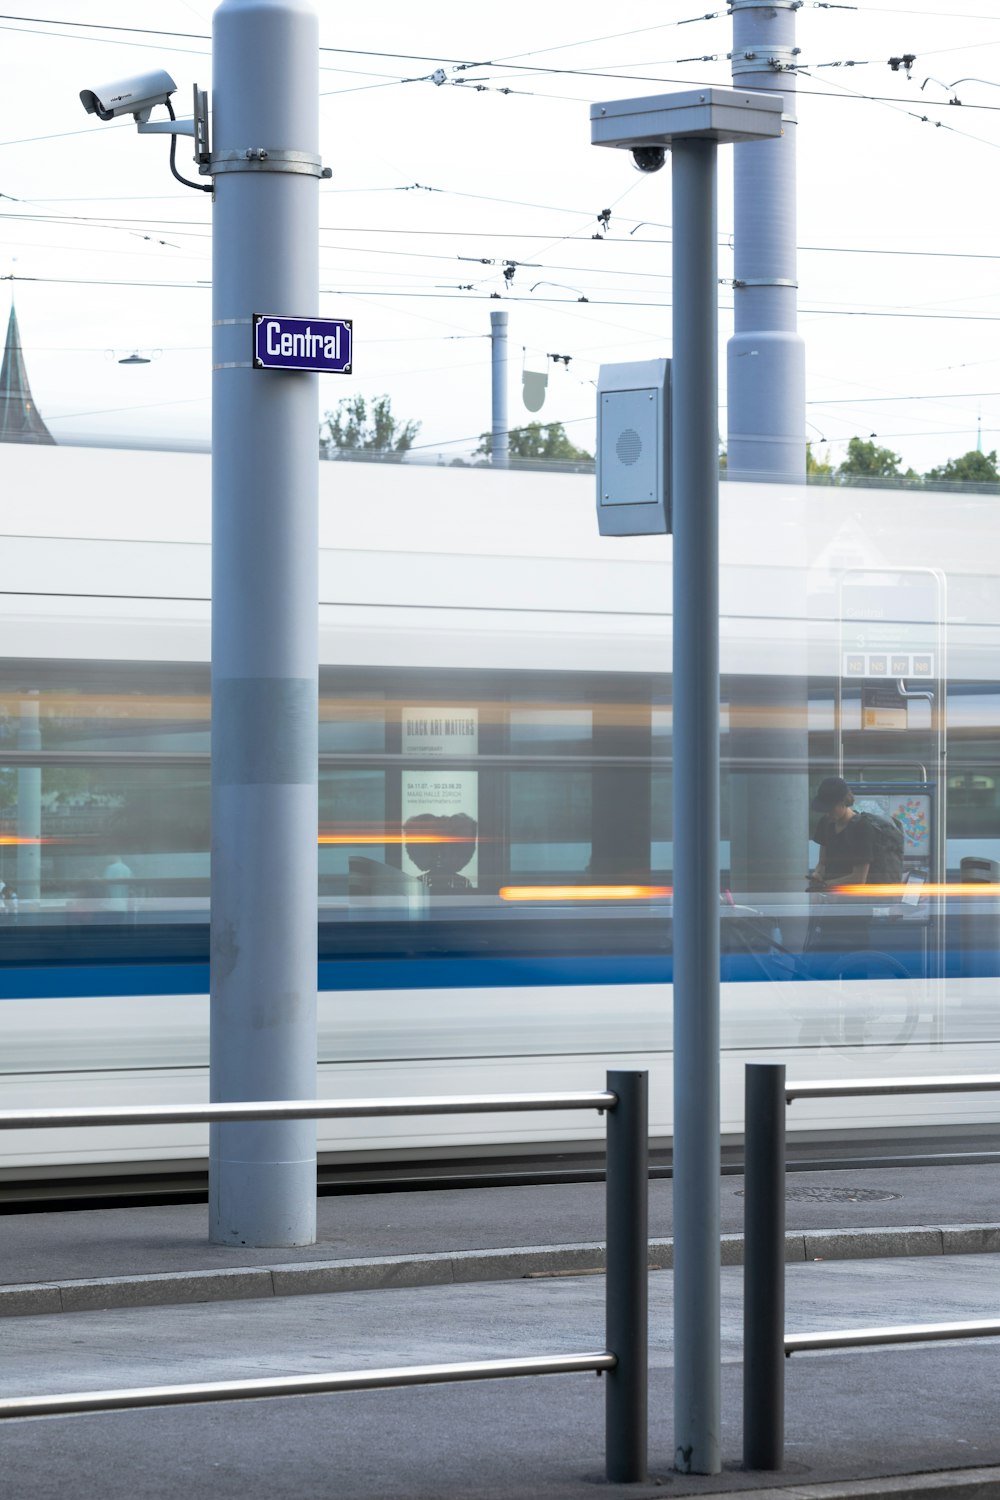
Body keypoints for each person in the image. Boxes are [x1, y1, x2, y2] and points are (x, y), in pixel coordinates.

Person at [808, 777, 874, 893]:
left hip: (852, 901)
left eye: (831, 809)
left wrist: (825, 885)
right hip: (829, 897)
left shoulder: (862, 827)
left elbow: (859, 879)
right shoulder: (826, 823)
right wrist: (817, 874)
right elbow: (822, 863)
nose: (828, 814)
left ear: (843, 802)